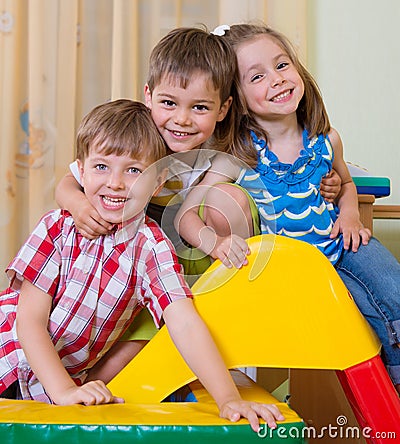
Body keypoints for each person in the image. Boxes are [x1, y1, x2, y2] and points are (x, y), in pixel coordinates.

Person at [55, 27, 340, 384]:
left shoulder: (224, 148)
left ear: (223, 110)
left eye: (200, 107)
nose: (182, 119)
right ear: (149, 96)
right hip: (130, 260)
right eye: (169, 103)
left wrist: (330, 181)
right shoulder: (137, 139)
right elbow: (69, 181)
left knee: (227, 201)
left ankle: (222, 335)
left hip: (190, 257)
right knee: (108, 368)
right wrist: (79, 206)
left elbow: (286, 164)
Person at [0, 98, 284, 431]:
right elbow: (29, 321)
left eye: (134, 170)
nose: (116, 183)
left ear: (159, 180)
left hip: (48, 385)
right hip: (12, 356)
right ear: (81, 170)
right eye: (101, 167)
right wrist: (63, 390)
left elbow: (185, 323)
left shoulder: (151, 248)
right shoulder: (56, 228)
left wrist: (227, 398)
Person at [175, 22, 400, 393]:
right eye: (257, 76)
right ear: (237, 100)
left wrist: (348, 215)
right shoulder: (239, 155)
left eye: (281, 66)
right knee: (352, 328)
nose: (276, 79)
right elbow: (187, 214)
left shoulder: (327, 139)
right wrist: (213, 243)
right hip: (288, 271)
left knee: (391, 296)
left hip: (339, 248)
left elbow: (344, 183)